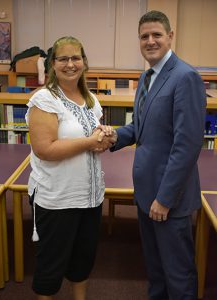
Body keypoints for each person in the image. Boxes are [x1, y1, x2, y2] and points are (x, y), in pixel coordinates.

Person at [104, 10, 206, 300]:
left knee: (178, 273)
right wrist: (114, 136)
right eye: (144, 36)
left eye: (156, 35)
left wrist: (165, 198)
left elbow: (186, 145)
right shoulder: (146, 76)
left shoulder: (186, 77)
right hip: (145, 193)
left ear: (170, 37)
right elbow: (140, 127)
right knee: (156, 269)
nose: (150, 41)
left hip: (168, 198)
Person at [25, 36, 115, 300]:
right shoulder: (44, 99)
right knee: (50, 268)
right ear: (53, 64)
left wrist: (105, 137)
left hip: (90, 197)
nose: (70, 64)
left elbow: (97, 143)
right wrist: (90, 141)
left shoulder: (91, 100)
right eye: (63, 58)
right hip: (57, 199)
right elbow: (46, 149)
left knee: (82, 263)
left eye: (76, 58)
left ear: (84, 62)